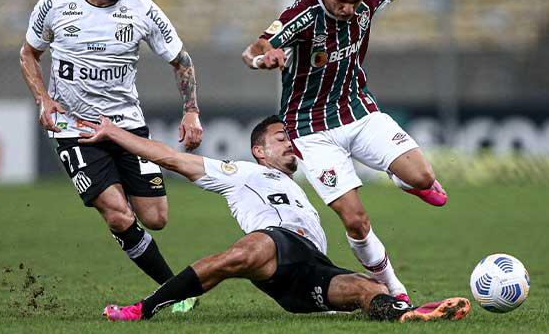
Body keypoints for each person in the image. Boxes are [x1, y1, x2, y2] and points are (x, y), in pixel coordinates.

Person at [241, 0, 458, 302]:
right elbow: (255, 48)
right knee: (356, 221)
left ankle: (403, 177)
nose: (349, 9)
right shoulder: (301, 16)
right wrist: (263, 60)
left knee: (423, 176)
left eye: (356, 1)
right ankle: (395, 291)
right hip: (309, 130)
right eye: (342, 0)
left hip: (358, 111)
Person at [75, 115, 470, 322]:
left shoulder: (311, 182)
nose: (291, 142)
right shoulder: (240, 172)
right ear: (258, 151)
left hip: (306, 270)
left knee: (364, 290)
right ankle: (145, 308)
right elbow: (169, 157)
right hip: (275, 244)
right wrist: (113, 134)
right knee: (246, 251)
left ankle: (408, 315)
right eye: (282, 137)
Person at [19, 0, 203, 294]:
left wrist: (191, 111)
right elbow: (29, 54)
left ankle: (130, 235)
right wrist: (44, 99)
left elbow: (181, 61)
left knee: (156, 218)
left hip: (127, 125)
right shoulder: (54, 6)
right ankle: (173, 290)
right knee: (120, 215)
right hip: (75, 127)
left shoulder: (143, 9)